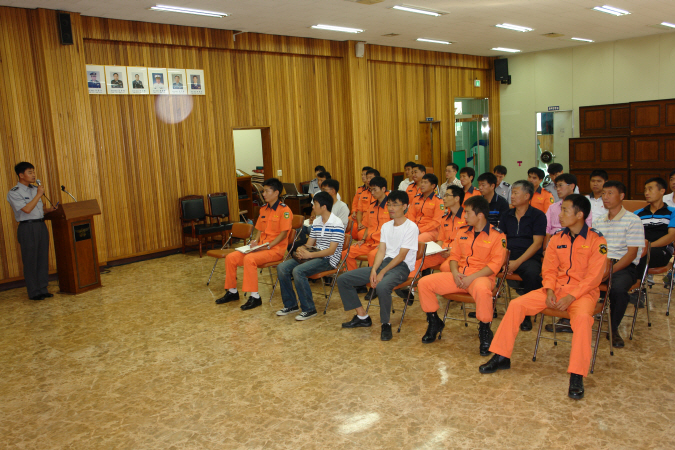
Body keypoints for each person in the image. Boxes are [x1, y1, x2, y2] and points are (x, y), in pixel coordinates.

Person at [480, 194, 607, 401]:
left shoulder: (596, 240)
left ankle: (577, 374)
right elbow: (548, 269)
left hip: (582, 294)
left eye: (565, 210)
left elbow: (594, 277)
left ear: (580, 215)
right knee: (516, 304)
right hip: (554, 290)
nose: (560, 214)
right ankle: (501, 356)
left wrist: (571, 296)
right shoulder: (557, 238)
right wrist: (549, 290)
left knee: (583, 320)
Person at [416, 196, 507, 354]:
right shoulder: (463, 232)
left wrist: (471, 278)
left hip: (481, 277)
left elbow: (495, 265)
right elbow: (454, 257)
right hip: (459, 275)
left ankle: (485, 330)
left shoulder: (498, 236)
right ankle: (434, 322)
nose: (464, 216)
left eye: (468, 212)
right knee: (424, 283)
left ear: (480, 215)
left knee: (482, 291)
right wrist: (455, 273)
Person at [337, 190, 419, 341]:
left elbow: (401, 256)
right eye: (389, 204)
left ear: (405, 206)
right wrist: (374, 269)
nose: (391, 208)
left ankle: (385, 324)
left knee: (382, 286)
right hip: (385, 263)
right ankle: (362, 316)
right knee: (343, 279)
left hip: (402, 267)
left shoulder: (411, 227)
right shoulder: (386, 226)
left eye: (395, 205)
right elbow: (381, 251)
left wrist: (382, 272)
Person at [581, 181, 644, 348]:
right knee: (573, 277)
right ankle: (570, 320)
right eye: (603, 193)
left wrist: (609, 271)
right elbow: (594, 248)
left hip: (622, 266)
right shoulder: (598, 221)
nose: (605, 197)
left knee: (618, 290)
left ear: (621, 196)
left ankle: (613, 328)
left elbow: (631, 254)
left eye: (610, 193)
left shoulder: (633, 220)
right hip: (600, 263)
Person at [217, 178, 293, 310]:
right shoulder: (263, 209)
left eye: (266, 191)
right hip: (261, 247)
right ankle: (232, 291)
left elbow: (283, 234)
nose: (263, 194)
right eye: (263, 191)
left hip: (275, 249)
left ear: (276, 193)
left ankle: (255, 296)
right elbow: (260, 229)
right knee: (231, 257)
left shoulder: (284, 210)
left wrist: (269, 246)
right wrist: (255, 241)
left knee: (249, 259)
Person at [276, 192, 345, 321]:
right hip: (314, 256)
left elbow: (331, 251)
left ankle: (309, 309)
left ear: (323, 207)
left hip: (328, 260)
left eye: (315, 204)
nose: (312, 207)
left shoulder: (337, 223)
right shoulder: (317, 221)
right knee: (282, 267)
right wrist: (302, 249)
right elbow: (309, 243)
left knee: (298, 271)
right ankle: (291, 305)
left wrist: (310, 254)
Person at [497, 180, 547, 331]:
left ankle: (527, 315)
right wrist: (505, 260)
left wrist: (517, 262)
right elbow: (501, 240)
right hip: (508, 255)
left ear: (527, 196)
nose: (512, 196)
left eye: (515, 193)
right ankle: (488, 307)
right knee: (487, 267)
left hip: (528, 256)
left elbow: (537, 244)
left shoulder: (538, 216)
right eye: (512, 193)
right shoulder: (506, 215)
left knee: (532, 273)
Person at [7, 162, 59, 300]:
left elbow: (38, 210)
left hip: (40, 225)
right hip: (27, 228)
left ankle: (43, 288)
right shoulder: (14, 192)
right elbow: (27, 209)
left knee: (42, 258)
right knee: (30, 260)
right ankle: (34, 292)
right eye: (30, 172)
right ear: (21, 175)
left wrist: (49, 210)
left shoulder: (35, 189)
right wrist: (38, 195)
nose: (33, 175)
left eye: (33, 172)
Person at [342, 176, 390, 272]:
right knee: (346, 253)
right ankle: (354, 279)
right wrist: (363, 240)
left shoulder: (391, 206)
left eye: (375, 190)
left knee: (373, 256)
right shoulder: (371, 207)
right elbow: (368, 226)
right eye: (371, 190)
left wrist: (386, 244)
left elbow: (396, 228)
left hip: (383, 244)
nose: (372, 193)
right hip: (369, 243)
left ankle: (375, 280)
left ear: (383, 189)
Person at [635, 177, 675, 276]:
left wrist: (648, 247)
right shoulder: (637, 213)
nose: (646, 193)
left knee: (640, 256)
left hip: (662, 250)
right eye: (645, 190)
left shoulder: (672, 212)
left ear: (662, 191)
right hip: (639, 249)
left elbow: (671, 236)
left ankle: (638, 284)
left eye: (650, 189)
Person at [407, 174, 444, 242]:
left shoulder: (438, 201)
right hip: (415, 229)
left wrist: (420, 230)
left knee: (415, 241)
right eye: (422, 182)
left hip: (431, 231)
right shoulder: (416, 198)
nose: (422, 185)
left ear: (433, 186)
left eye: (425, 182)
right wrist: (413, 229)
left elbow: (436, 221)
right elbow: (411, 215)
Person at [351, 167, 376, 239]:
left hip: (372, 222)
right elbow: (359, 209)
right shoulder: (363, 192)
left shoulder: (381, 194)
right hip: (362, 219)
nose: (368, 180)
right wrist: (359, 223)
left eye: (370, 178)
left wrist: (365, 224)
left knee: (360, 234)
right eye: (367, 178)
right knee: (349, 224)